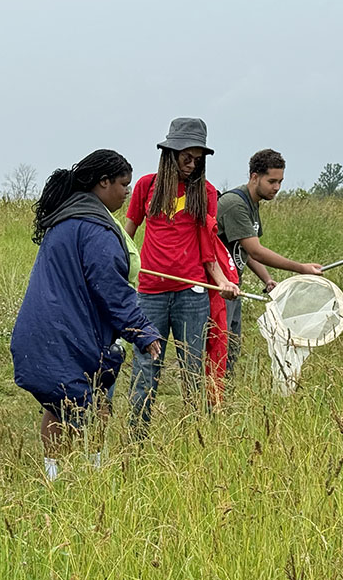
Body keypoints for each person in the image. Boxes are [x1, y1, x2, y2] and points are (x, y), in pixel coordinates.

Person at [11, 150, 162, 480]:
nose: (126, 191)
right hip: (72, 334)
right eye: (123, 184)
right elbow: (111, 288)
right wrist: (143, 331)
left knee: (58, 405)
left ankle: (57, 475)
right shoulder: (94, 228)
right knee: (89, 403)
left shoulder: (66, 218)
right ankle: (87, 474)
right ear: (103, 182)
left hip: (49, 329)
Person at [125, 118, 239, 432]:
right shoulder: (147, 186)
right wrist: (117, 264)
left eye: (197, 160)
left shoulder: (207, 192)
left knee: (192, 368)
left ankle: (194, 437)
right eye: (185, 157)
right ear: (170, 153)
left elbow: (208, 246)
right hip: (150, 294)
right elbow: (128, 234)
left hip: (192, 294)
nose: (191, 165)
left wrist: (222, 282)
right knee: (146, 367)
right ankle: (137, 439)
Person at [217, 149, 323, 373]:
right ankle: (209, 401)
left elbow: (244, 250)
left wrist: (267, 279)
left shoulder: (252, 204)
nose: (277, 188)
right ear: (254, 177)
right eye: (272, 181)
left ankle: (221, 400)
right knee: (220, 349)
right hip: (218, 288)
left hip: (234, 286)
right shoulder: (235, 204)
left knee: (232, 349)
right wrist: (301, 268)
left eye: (280, 182)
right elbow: (256, 252)